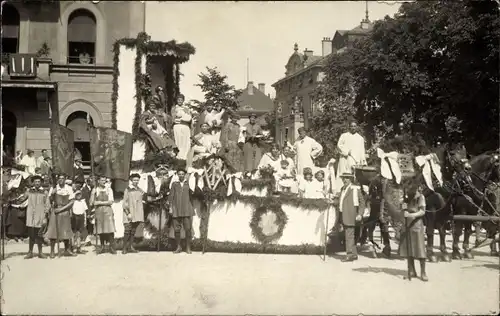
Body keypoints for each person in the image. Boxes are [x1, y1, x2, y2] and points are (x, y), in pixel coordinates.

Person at [399, 181, 428, 281]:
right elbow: (403, 208)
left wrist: (411, 215)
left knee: (419, 248)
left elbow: (422, 211)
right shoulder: (406, 197)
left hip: (417, 224)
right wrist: (403, 207)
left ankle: (423, 272)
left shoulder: (420, 197)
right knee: (409, 248)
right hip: (407, 224)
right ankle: (412, 270)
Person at [45, 174, 76, 258]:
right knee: (53, 231)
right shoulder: (54, 188)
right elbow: (51, 201)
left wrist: (62, 209)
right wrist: (52, 194)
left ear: (65, 179)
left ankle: (67, 250)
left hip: (65, 211)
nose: (61, 180)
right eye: (59, 179)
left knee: (66, 230)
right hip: (55, 211)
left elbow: (72, 202)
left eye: (63, 178)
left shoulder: (69, 189)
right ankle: (52, 251)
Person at [338, 172, 365, 262]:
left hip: (351, 215)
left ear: (350, 179)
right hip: (343, 214)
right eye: (343, 178)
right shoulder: (342, 188)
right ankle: (354, 254)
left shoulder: (355, 189)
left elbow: (362, 202)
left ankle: (349, 254)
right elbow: (341, 201)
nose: (344, 180)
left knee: (349, 235)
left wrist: (360, 214)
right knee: (350, 236)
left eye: (346, 178)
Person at [168, 169, 195, 254]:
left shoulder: (189, 184)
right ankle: (178, 247)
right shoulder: (174, 184)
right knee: (177, 230)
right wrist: (170, 207)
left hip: (187, 209)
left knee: (188, 229)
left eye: (183, 174)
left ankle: (188, 247)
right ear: (177, 175)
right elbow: (171, 196)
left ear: (185, 175)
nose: (181, 175)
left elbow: (193, 194)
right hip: (176, 209)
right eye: (179, 174)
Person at [24, 175, 49, 259]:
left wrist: (45, 216)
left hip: (40, 216)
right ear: (33, 183)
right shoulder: (29, 191)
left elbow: (47, 205)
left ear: (41, 183)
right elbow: (22, 198)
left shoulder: (44, 192)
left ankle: (40, 252)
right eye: (35, 182)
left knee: (39, 235)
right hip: (31, 216)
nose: (37, 183)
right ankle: (30, 252)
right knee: (31, 235)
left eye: (38, 182)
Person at [336, 121, 367, 188]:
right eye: (352, 126)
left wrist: (363, 161)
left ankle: (352, 190)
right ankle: (341, 190)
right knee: (343, 173)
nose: (353, 128)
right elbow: (339, 146)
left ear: (357, 127)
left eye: (354, 126)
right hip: (344, 159)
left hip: (355, 160)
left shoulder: (360, 138)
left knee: (353, 174)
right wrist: (346, 152)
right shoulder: (344, 135)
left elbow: (362, 150)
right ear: (349, 127)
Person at [90, 176, 116, 254]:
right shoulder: (95, 190)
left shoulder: (109, 189)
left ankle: (111, 247)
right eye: (102, 180)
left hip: (108, 210)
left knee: (110, 228)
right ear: (98, 181)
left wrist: (99, 202)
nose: (104, 182)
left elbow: (111, 202)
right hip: (99, 211)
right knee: (100, 229)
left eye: (105, 180)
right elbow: (91, 203)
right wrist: (92, 193)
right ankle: (102, 246)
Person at [122, 173, 147, 254]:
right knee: (127, 230)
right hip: (129, 213)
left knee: (133, 231)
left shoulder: (140, 190)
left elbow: (144, 199)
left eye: (137, 180)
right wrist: (128, 213)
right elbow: (124, 203)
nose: (136, 181)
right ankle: (124, 248)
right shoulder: (128, 190)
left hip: (137, 213)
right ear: (131, 181)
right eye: (134, 180)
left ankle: (130, 247)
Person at [172, 94, 192, 160]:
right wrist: (177, 119)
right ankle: (179, 156)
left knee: (185, 141)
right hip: (177, 127)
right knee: (178, 141)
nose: (180, 101)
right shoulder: (174, 108)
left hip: (185, 126)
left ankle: (185, 156)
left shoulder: (186, 108)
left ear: (183, 100)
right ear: (176, 101)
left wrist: (183, 118)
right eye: (178, 100)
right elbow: (173, 119)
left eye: (181, 100)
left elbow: (189, 118)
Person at [71, 189, 88, 254]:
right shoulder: (73, 202)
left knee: (79, 233)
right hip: (74, 217)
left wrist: (85, 221)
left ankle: (78, 247)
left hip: (81, 217)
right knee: (73, 233)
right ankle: (72, 247)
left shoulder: (83, 202)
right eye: (77, 194)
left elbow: (85, 212)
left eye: (80, 194)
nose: (78, 196)